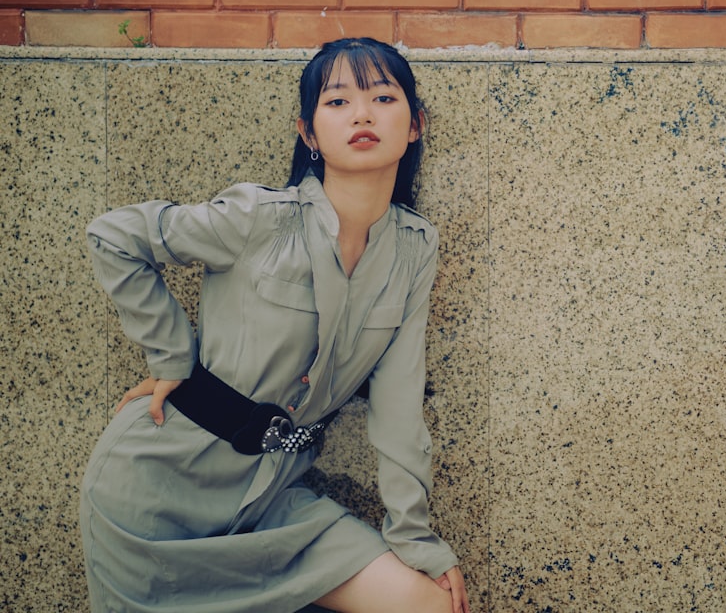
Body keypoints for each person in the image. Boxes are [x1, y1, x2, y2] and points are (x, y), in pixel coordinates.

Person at [79, 38, 469, 613]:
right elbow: (113, 235)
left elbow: (399, 402)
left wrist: (413, 534)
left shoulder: (414, 247)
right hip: (156, 496)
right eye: (337, 102)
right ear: (308, 133)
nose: (361, 113)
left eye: (383, 97)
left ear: (415, 125)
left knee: (426, 603)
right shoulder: (258, 219)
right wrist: (169, 357)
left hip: (272, 504)